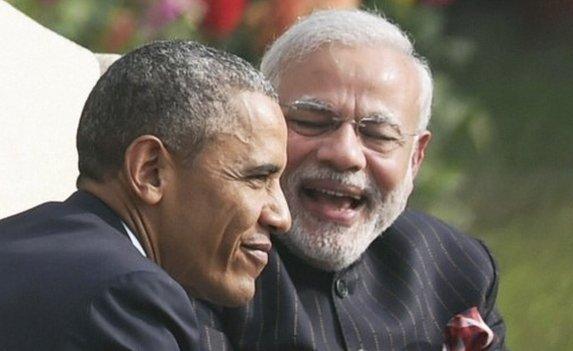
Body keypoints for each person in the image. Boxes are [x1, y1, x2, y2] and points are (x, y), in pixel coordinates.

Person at [198, 10, 507, 350]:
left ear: (416, 157)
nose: (345, 154)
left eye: (378, 134)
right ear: (259, 124)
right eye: (313, 121)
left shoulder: (457, 269)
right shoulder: (202, 261)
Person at [0, 40, 291, 350]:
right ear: (150, 171)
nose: (281, 217)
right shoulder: (127, 294)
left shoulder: (18, 242)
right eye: (258, 178)